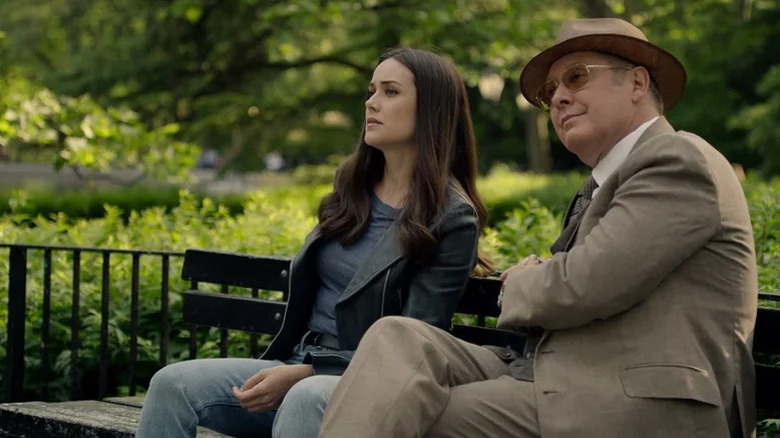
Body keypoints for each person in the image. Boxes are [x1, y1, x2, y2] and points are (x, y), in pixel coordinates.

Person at [317, 18, 758, 438]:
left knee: (419, 415)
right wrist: (550, 271)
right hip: (560, 376)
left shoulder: (677, 161)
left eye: (577, 77)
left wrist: (526, 281)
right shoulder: (608, 180)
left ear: (638, 83)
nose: (560, 97)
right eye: (552, 90)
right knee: (399, 337)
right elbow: (596, 271)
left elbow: (588, 283)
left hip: (635, 402)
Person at [135, 47, 491, 438]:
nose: (371, 103)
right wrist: (297, 368)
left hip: (366, 386)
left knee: (307, 395)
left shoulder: (451, 217)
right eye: (371, 91)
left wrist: (307, 372)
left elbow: (414, 346)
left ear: (432, 109)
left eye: (390, 92)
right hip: (298, 361)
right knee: (172, 385)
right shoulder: (353, 185)